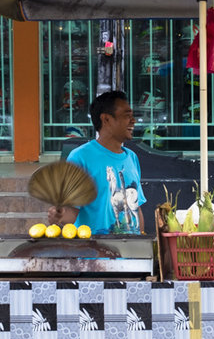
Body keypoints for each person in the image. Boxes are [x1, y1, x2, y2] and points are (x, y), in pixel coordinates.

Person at [47, 90, 146, 235]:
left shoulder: (132, 157)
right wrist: (59, 215)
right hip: (96, 253)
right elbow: (70, 213)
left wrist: (143, 244)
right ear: (106, 120)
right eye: (126, 116)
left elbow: (136, 208)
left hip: (131, 252)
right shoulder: (80, 158)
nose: (133, 121)